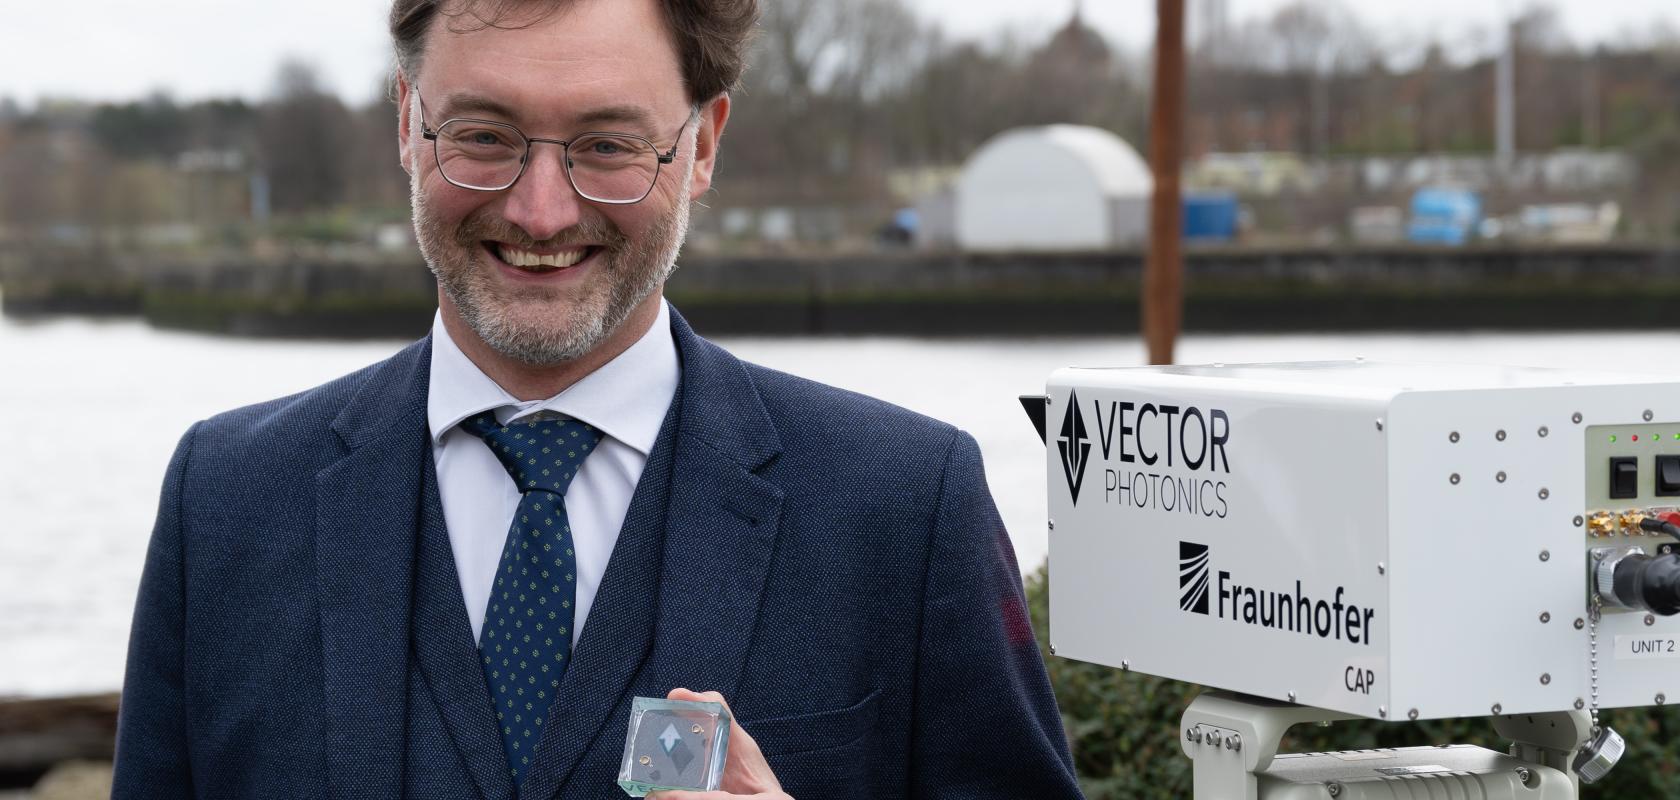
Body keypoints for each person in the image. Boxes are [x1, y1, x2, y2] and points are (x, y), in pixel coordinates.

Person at [112, 0, 1083, 797]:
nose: (541, 209)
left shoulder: (904, 507)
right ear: (408, 123)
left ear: (702, 144)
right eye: (484, 135)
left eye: (608, 145)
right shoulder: (226, 502)